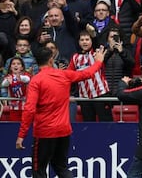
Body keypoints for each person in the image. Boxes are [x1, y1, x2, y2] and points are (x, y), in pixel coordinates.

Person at [15, 46, 107, 177]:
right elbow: (87, 74)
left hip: (44, 132)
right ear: (51, 60)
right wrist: (98, 61)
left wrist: (21, 134)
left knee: (39, 170)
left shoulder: (36, 81)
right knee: (61, 167)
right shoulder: (64, 75)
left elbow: (29, 109)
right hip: (63, 130)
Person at [67, 30, 113, 122]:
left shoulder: (96, 53)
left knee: (106, 123)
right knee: (88, 124)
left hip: (101, 94)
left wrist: (94, 35)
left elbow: (98, 44)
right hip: (84, 97)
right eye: (82, 40)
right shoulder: (75, 57)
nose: (84, 42)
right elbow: (69, 76)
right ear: (78, 42)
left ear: (91, 41)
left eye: (87, 39)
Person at [1, 57, 31, 121]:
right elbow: (4, 84)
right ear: (10, 67)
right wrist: (9, 80)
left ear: (22, 67)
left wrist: (19, 78)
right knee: (14, 126)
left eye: (18, 63)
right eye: (13, 64)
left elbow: (27, 79)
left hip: (25, 107)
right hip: (14, 107)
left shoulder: (26, 76)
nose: (16, 65)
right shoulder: (8, 77)